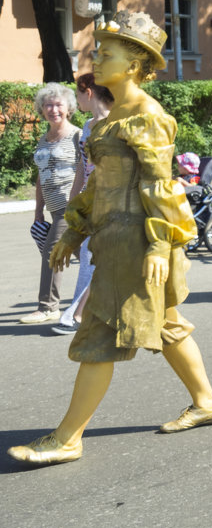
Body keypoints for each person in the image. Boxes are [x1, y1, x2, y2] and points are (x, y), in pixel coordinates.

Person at [8, 11, 212, 466]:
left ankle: (68, 437)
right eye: (97, 51)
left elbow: (161, 187)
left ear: (133, 64)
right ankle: (206, 401)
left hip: (139, 243)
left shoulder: (148, 116)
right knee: (167, 323)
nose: (96, 58)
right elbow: (97, 183)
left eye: (106, 53)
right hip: (114, 237)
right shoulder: (111, 118)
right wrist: (76, 229)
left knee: (100, 331)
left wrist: (160, 246)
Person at [50, 73, 114, 336]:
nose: (76, 101)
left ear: (88, 92)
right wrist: (74, 200)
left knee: (98, 260)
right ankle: (84, 313)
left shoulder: (117, 122)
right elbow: (83, 166)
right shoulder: (88, 126)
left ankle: (76, 313)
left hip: (110, 202)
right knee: (91, 261)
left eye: (77, 94)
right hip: (89, 202)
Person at [21, 83, 84, 324]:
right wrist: (38, 209)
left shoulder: (77, 135)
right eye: (48, 104)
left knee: (53, 253)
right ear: (41, 109)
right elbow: (41, 176)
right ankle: (110, 294)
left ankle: (48, 307)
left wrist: (77, 203)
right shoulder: (43, 139)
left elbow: (87, 170)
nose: (53, 109)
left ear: (69, 108)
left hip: (71, 208)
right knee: (88, 256)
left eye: (58, 104)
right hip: (54, 207)